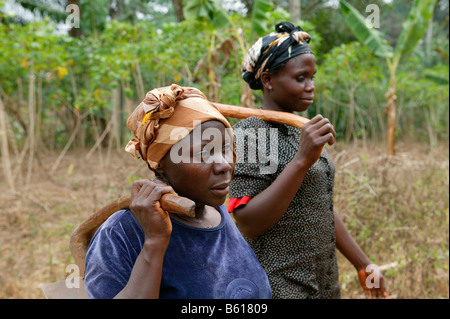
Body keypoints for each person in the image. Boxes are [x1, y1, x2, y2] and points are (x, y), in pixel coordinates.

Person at [227, 22, 388, 299]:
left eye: (312, 77)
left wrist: (363, 264)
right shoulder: (250, 133)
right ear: (268, 80)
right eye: (301, 78)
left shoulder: (303, 129)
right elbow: (248, 222)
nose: (311, 87)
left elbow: (318, 204)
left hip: (322, 282)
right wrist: (302, 160)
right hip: (278, 285)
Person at [84, 84, 272, 299]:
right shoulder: (122, 232)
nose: (224, 165)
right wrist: (154, 242)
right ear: (161, 162)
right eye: (203, 152)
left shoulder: (215, 210)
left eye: (225, 148)